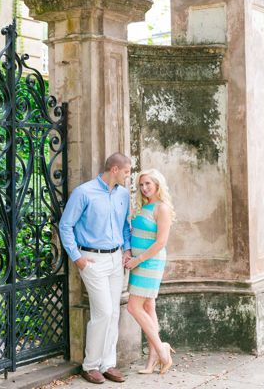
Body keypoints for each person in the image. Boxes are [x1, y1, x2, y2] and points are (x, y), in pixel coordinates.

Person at [59, 153, 132, 385]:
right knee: (103, 312)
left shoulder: (122, 194)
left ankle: (107, 364)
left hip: (116, 259)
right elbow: (65, 225)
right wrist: (77, 257)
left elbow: (125, 226)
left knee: (114, 313)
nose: (129, 176)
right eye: (127, 172)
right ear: (115, 170)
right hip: (91, 259)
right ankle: (90, 365)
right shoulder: (84, 192)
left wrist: (127, 250)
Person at [125, 169, 175, 375]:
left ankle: (162, 350)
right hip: (137, 262)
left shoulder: (162, 208)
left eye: (148, 184)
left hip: (149, 263)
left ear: (157, 184)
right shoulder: (143, 205)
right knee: (148, 307)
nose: (144, 188)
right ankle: (153, 358)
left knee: (133, 307)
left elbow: (161, 242)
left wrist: (137, 260)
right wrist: (130, 254)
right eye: (141, 185)